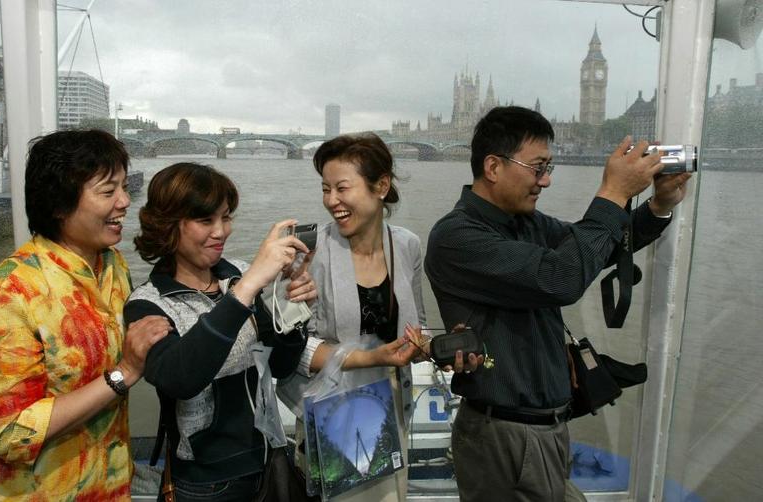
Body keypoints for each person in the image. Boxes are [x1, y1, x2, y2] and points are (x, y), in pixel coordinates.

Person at [424, 106, 692, 502]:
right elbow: (561, 278)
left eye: (548, 167)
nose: (546, 180)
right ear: (493, 167)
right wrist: (614, 193)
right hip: (505, 434)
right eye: (537, 168)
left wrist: (658, 207)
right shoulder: (457, 237)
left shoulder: (527, 223)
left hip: (545, 429)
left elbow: (595, 249)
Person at [0, 129, 171, 500]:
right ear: (59, 205)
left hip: (107, 485)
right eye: (108, 191)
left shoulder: (112, 265)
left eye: (123, 188)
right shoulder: (5, 294)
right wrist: (124, 373)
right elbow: (12, 435)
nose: (124, 201)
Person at [124, 162, 321, 501]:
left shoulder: (237, 276)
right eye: (206, 221)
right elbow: (180, 379)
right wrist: (247, 288)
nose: (221, 231)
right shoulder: (148, 303)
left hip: (266, 459)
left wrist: (291, 309)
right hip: (206, 483)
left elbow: (280, 365)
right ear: (168, 224)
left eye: (226, 217)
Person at [277, 133, 433, 502]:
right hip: (333, 411)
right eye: (325, 189)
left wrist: (431, 347)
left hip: (391, 406)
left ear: (381, 186)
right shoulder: (309, 251)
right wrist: (370, 357)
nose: (332, 200)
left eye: (342, 188)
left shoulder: (407, 245)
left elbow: (417, 324)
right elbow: (291, 349)